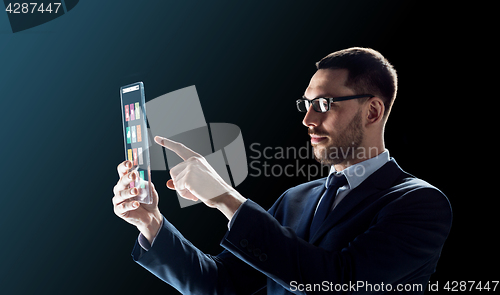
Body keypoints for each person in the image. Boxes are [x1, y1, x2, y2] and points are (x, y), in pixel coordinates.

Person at [112, 47, 452, 294]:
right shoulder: (296, 199)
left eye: (323, 104)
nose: (308, 120)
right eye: (306, 105)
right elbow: (223, 285)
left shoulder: (419, 203)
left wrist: (225, 198)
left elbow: (339, 283)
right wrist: (152, 222)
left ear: (373, 111)